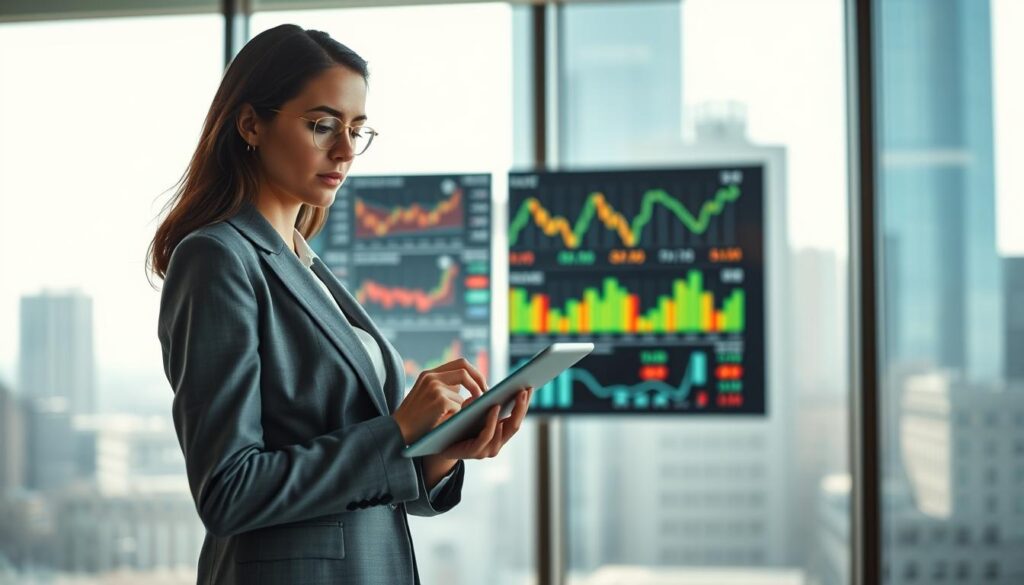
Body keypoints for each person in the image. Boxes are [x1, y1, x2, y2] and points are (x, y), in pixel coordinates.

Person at [147, 24, 532, 585]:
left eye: (357, 128)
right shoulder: (217, 257)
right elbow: (228, 491)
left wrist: (438, 453)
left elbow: (369, 476)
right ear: (251, 124)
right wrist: (397, 431)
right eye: (322, 125)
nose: (346, 150)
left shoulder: (305, 264)